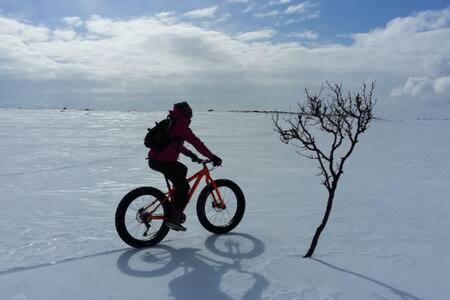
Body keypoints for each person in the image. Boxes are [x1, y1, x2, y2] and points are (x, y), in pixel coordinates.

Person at [148, 101, 222, 231]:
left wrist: (191, 155)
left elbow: (175, 144)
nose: (190, 116)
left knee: (182, 169)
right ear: (185, 113)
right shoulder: (181, 124)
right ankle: (174, 218)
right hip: (163, 161)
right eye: (189, 113)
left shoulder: (174, 121)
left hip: (156, 159)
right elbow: (196, 142)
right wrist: (212, 157)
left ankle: (173, 204)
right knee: (183, 186)